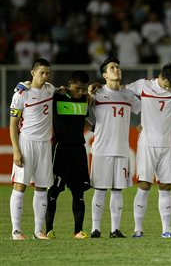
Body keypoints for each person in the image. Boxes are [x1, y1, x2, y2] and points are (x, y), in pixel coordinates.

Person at [128, 64, 171, 238]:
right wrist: (137, 117)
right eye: (166, 84)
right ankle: (138, 230)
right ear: (160, 76)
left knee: (165, 186)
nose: (168, 88)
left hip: (168, 145)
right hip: (147, 144)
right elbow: (122, 93)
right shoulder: (143, 85)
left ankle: (166, 230)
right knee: (144, 185)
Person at [88, 57, 140, 238]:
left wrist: (143, 124)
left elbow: (146, 111)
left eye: (118, 67)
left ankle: (114, 229)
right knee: (100, 190)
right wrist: (90, 124)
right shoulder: (96, 93)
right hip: (101, 149)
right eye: (112, 68)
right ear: (104, 75)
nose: (116, 70)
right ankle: (96, 229)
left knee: (118, 190)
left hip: (122, 149)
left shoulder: (129, 95)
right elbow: (79, 106)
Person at [10, 58, 55, 240]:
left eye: (47, 73)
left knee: (42, 187)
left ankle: (38, 231)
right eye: (42, 72)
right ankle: (16, 231)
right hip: (26, 142)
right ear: (33, 72)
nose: (45, 76)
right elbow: (13, 124)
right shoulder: (21, 94)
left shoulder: (50, 90)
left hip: (45, 144)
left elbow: (63, 91)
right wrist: (16, 150)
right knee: (20, 186)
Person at [46, 71, 92, 239]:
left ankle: (78, 231)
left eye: (84, 89)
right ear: (70, 84)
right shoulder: (57, 98)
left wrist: (94, 127)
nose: (81, 92)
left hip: (79, 150)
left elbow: (82, 118)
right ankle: (49, 230)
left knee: (79, 193)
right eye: (78, 89)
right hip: (61, 149)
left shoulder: (84, 99)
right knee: (54, 191)